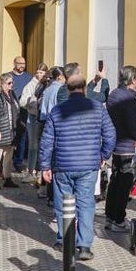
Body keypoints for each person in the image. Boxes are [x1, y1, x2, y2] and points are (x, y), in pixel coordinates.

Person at [40, 73, 116, 259]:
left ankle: (64, 240)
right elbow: (111, 135)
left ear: (68, 88)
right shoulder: (98, 108)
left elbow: (47, 141)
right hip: (88, 165)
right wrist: (103, 155)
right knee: (86, 204)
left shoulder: (57, 111)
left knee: (63, 203)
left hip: (63, 165)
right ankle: (84, 246)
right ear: (84, 88)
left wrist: (44, 166)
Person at [104, 65, 136, 232]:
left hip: (115, 143)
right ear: (133, 79)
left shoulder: (113, 94)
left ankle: (110, 214)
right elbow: (133, 125)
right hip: (128, 145)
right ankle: (118, 218)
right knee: (124, 183)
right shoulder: (130, 99)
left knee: (115, 180)